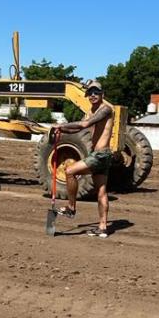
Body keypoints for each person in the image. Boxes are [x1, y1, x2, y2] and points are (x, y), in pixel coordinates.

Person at [55, 80, 114, 238]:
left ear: (103, 94)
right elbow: (78, 127)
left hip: (101, 154)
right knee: (101, 191)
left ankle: (71, 207)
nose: (93, 95)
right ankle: (102, 227)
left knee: (69, 171)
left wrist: (61, 127)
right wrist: (60, 129)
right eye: (90, 93)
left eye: (96, 92)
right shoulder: (92, 111)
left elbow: (84, 124)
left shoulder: (105, 109)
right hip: (103, 155)